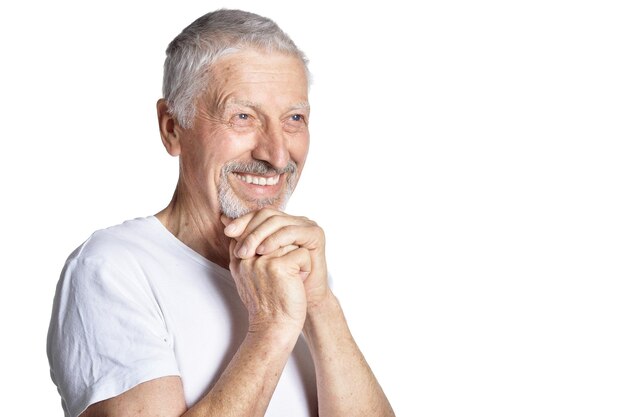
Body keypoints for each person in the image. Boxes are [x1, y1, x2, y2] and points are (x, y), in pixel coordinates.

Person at [47, 9, 395, 417]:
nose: (278, 154)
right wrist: (271, 330)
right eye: (243, 117)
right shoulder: (112, 268)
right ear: (172, 128)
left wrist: (320, 306)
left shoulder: (292, 270)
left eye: (294, 119)